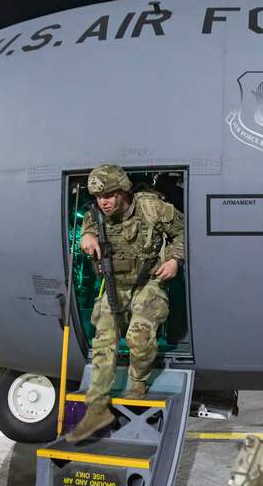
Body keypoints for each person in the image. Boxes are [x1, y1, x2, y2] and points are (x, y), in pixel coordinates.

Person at [66, 164, 185, 443]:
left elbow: (183, 233)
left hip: (149, 282)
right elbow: (88, 226)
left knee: (138, 337)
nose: (103, 202)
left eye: (109, 195)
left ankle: (138, 381)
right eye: (99, 197)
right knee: (103, 342)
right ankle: (97, 410)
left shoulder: (153, 208)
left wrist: (174, 260)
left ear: (124, 191)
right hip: (113, 285)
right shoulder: (95, 212)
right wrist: (87, 235)